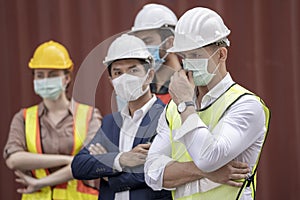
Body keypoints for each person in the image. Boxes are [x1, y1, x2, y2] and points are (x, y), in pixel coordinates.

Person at [144, 7, 270, 200]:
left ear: (221, 55)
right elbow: (152, 174)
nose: (188, 64)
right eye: (184, 57)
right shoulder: (173, 108)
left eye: (195, 55)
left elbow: (208, 157)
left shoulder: (246, 105)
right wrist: (203, 172)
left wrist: (186, 104)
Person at [71, 34, 173, 200]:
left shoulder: (166, 117)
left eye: (133, 70)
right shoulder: (110, 123)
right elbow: (79, 166)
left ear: (149, 75)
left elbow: (151, 174)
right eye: (118, 72)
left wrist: (106, 168)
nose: (125, 77)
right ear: (111, 80)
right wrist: (120, 159)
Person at [3, 40, 102, 200]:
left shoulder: (90, 115)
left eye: (53, 75)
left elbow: (90, 162)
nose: (45, 80)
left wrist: (40, 183)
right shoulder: (23, 117)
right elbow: (14, 159)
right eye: (40, 75)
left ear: (67, 78)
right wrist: (68, 160)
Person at [129, 3, 182, 104]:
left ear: (170, 42)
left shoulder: (191, 84)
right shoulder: (141, 88)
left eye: (148, 41)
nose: (143, 48)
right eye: (140, 42)